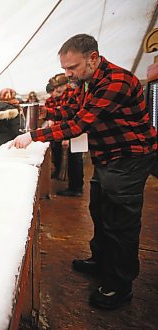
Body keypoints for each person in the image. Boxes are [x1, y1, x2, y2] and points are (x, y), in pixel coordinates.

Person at [11, 34, 157, 309]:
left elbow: (79, 124)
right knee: (99, 211)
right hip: (106, 157)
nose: (68, 74)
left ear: (93, 58)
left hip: (128, 157)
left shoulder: (117, 81)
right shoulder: (87, 82)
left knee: (120, 221)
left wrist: (35, 134)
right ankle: (101, 260)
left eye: (72, 68)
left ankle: (119, 284)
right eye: (65, 69)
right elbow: (70, 110)